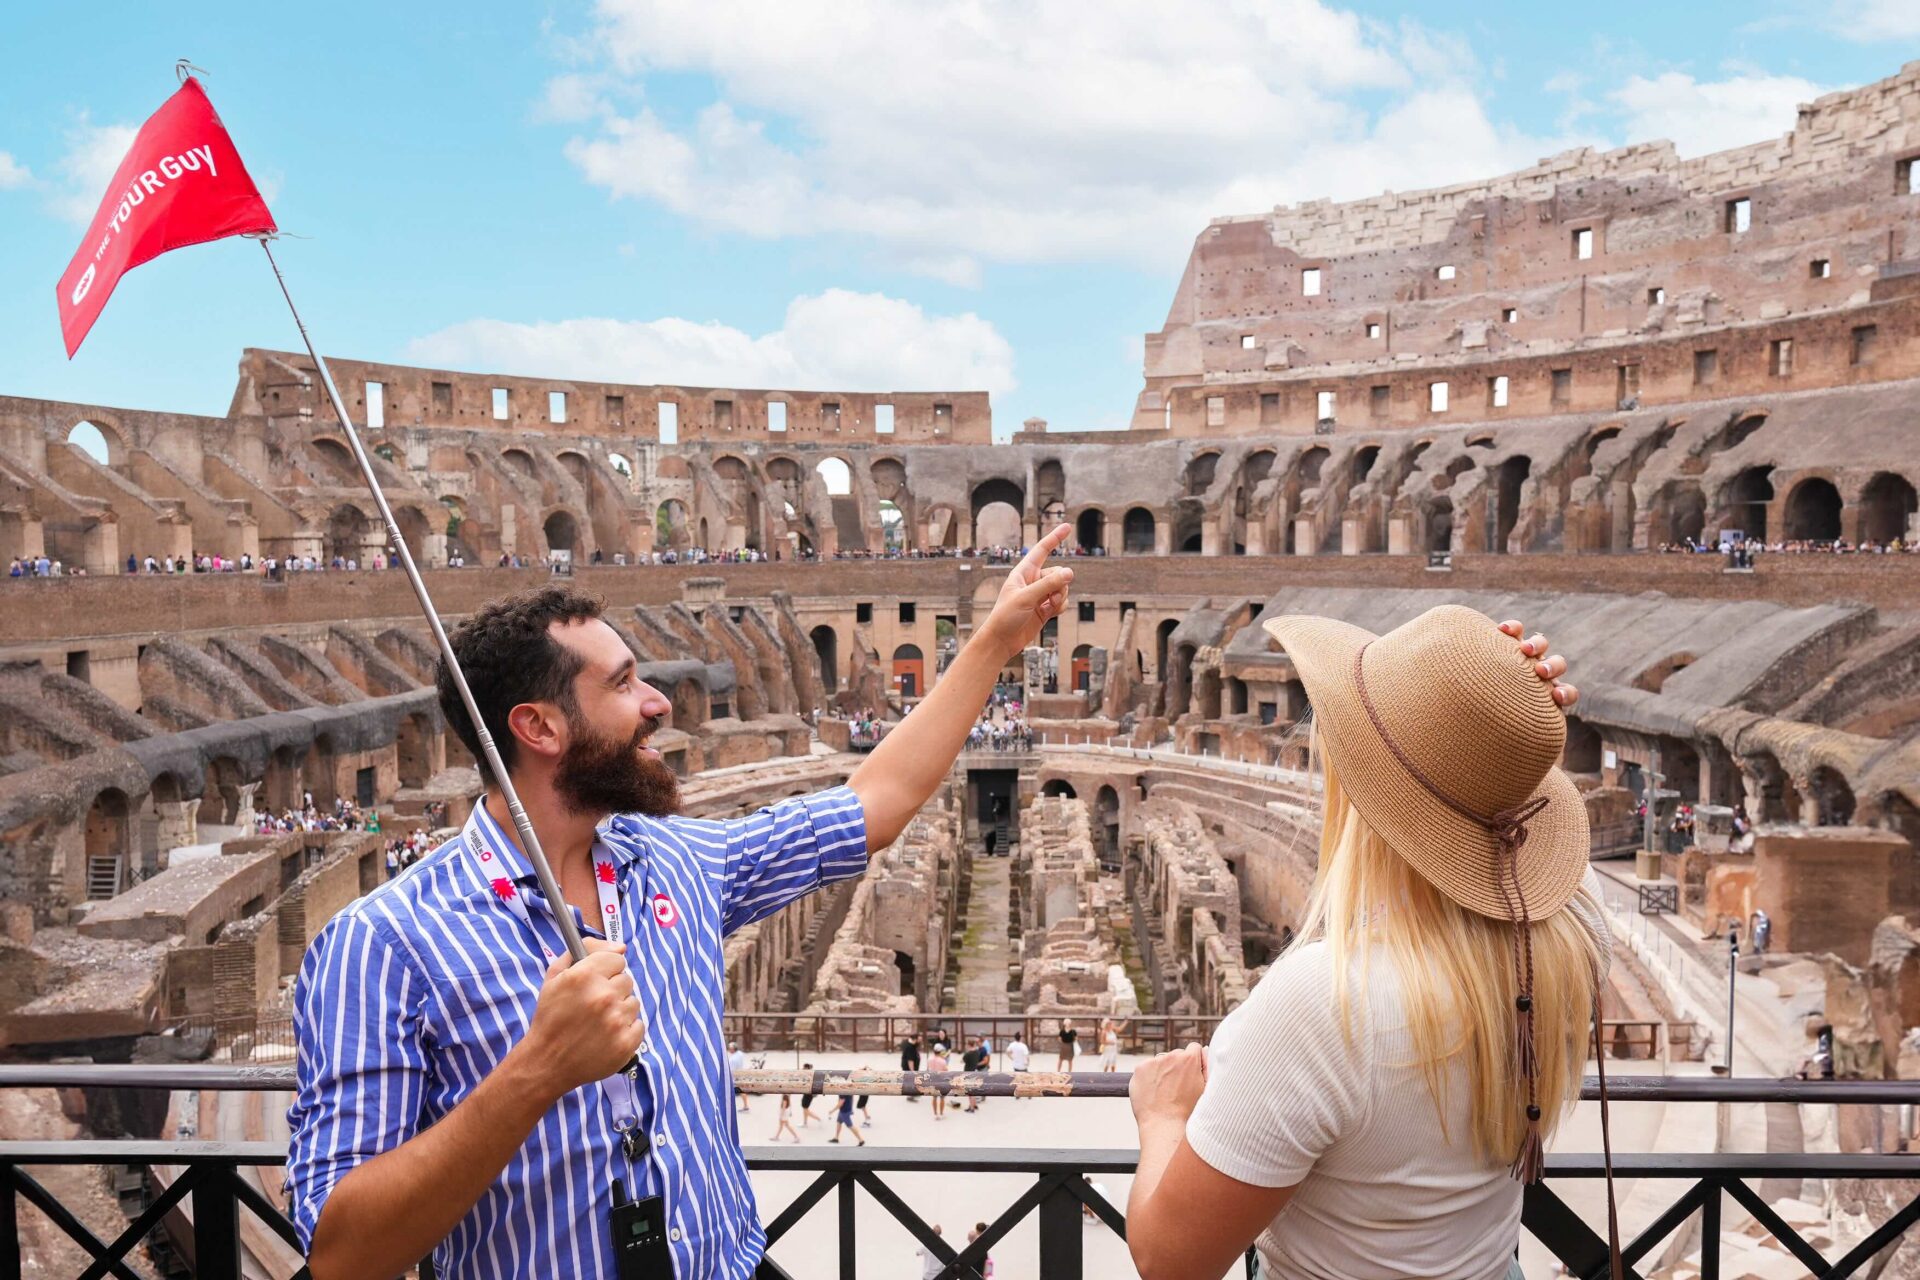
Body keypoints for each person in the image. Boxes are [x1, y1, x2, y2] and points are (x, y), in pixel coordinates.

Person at [284, 528, 1077, 1280]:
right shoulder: (382, 944)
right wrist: (535, 1073)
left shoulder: (676, 863)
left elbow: (877, 799)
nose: (658, 702)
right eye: (624, 683)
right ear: (538, 727)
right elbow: (343, 1254)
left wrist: (994, 643)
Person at [1123, 610, 1613, 1280]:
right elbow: (1562, 871)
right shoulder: (1576, 937)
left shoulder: (1326, 1004)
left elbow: (1168, 1261)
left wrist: (1161, 1116)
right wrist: (1504, 715)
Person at [928, 1042, 950, 1120]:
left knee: (934, 1098)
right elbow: (946, 1071)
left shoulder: (929, 1059)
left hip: (933, 1081)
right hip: (941, 1081)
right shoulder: (942, 1061)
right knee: (942, 1098)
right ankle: (941, 1113)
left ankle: (935, 1114)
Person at [730, 1041, 750, 1111]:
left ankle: (745, 1106)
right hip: (741, 1074)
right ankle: (746, 1105)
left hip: (736, 1078)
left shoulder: (733, 1059)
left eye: (730, 1048)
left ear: (733, 1049)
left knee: (738, 1092)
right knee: (742, 1091)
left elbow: (731, 1070)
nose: (729, 1050)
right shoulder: (740, 1054)